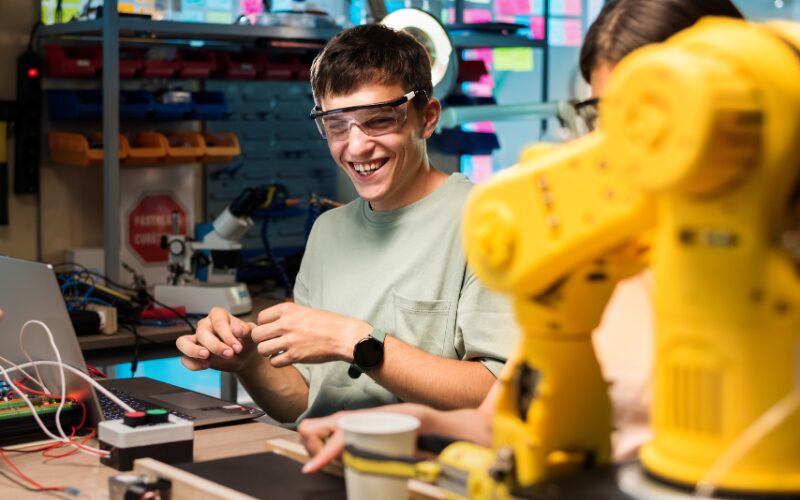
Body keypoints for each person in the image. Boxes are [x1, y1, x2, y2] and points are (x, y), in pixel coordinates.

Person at [298, 0, 744, 473]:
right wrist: (410, 425)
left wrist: (359, 343)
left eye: (648, 118)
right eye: (602, 116)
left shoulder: (764, 272)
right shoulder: (594, 260)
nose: (618, 147)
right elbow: (505, 424)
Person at [176, 24, 518, 425]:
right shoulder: (327, 232)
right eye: (337, 125)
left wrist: (352, 341)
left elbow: (500, 395)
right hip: (329, 465)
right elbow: (304, 399)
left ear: (426, 118)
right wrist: (248, 360)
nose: (355, 146)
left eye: (378, 120)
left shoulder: (488, 223)